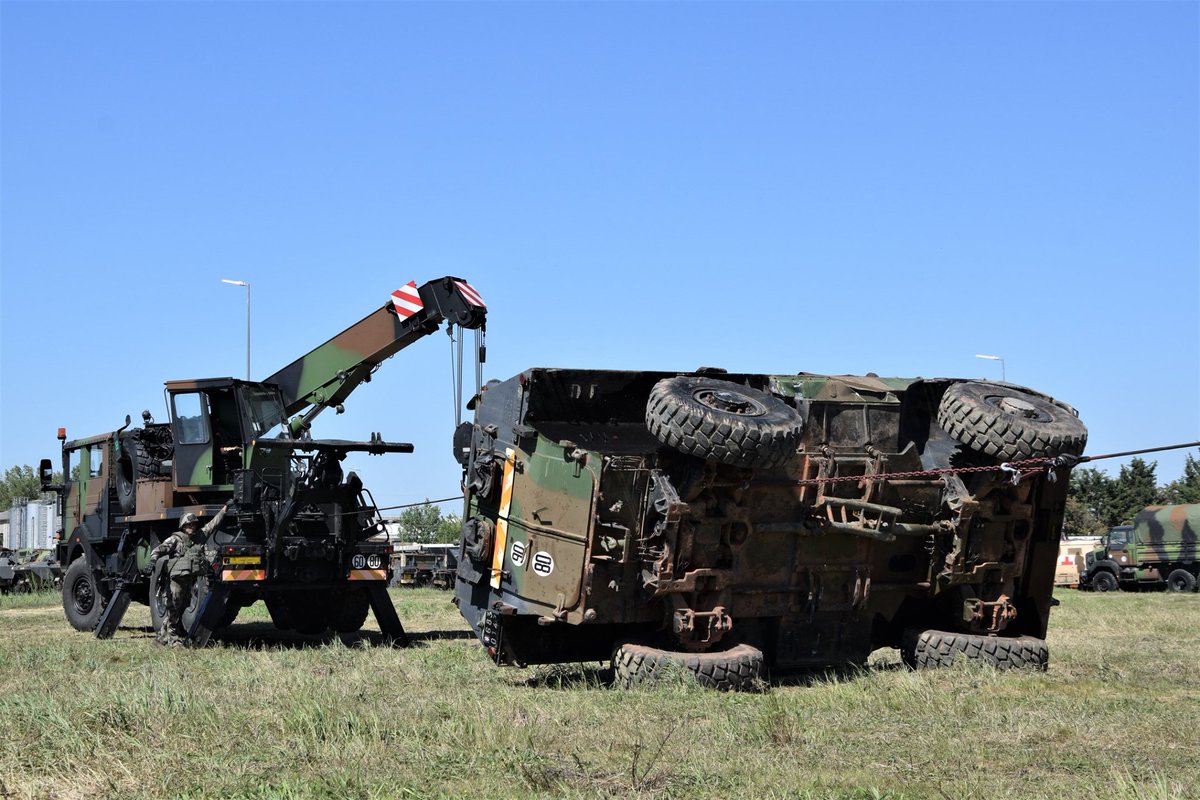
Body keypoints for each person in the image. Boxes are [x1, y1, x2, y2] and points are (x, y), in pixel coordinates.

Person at [148, 500, 233, 646]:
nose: (192, 527)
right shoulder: (176, 539)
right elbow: (159, 549)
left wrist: (225, 509)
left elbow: (213, 524)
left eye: (193, 524)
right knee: (174, 607)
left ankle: (162, 637)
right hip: (176, 580)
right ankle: (173, 639)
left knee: (182, 607)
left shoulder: (200, 536)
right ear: (183, 526)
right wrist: (152, 561)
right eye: (189, 525)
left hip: (189, 580)